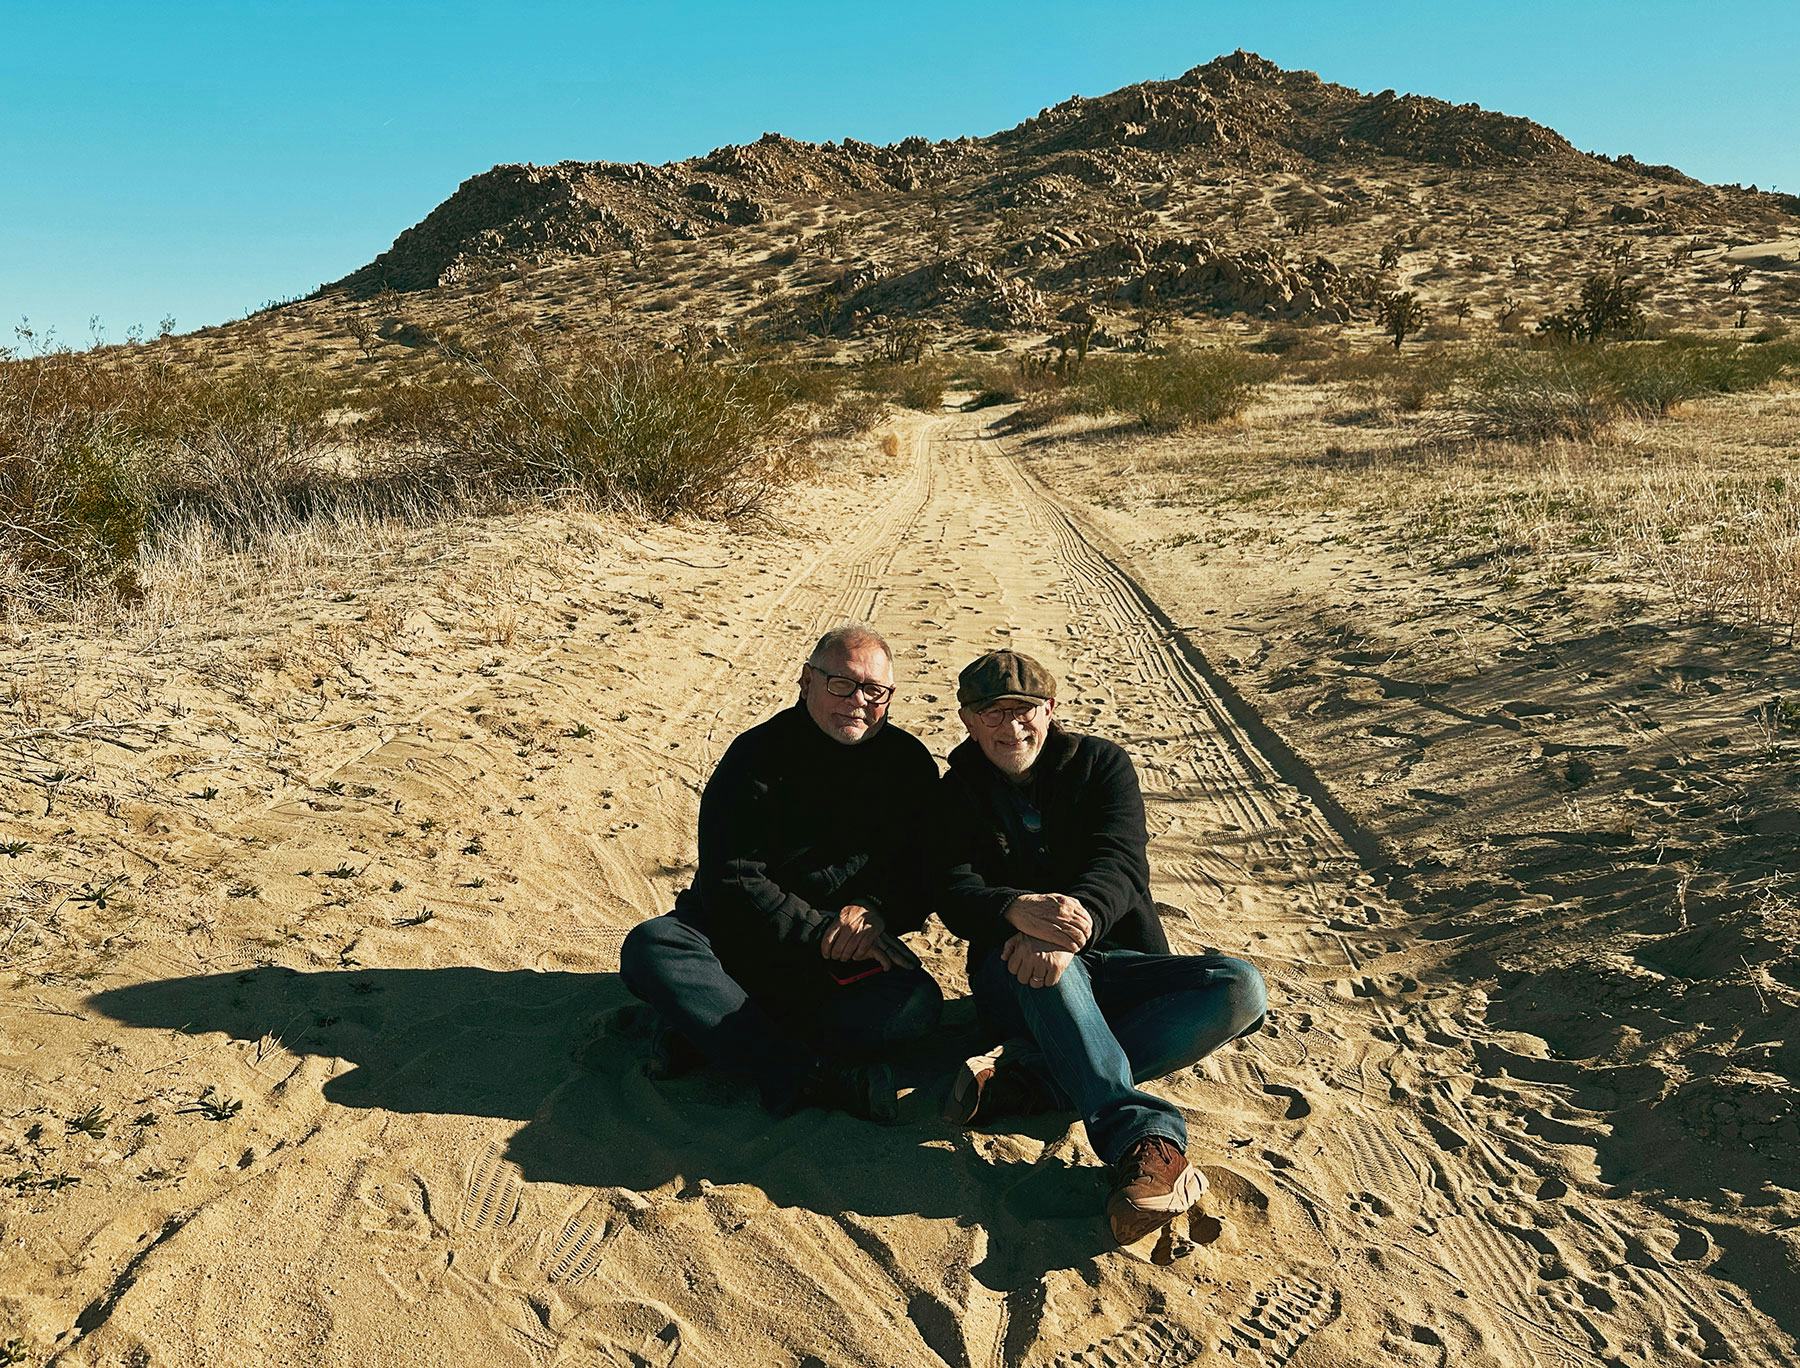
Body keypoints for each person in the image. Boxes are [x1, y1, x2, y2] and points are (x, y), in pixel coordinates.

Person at [931, 649, 1268, 1248]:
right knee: (1048, 975)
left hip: (1116, 957)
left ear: (1051, 709)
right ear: (967, 720)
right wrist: (1017, 914)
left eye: (1025, 710)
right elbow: (953, 889)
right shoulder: (955, 791)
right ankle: (1143, 1137)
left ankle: (1035, 1082)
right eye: (992, 713)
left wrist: (1072, 925)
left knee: (1241, 988)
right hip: (1017, 970)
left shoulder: (1101, 765)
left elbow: (1120, 863)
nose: (1011, 728)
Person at [620, 624, 942, 1123]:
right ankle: (806, 1070)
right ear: (807, 681)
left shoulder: (909, 765)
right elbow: (733, 880)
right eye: (842, 684)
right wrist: (817, 929)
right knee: (653, 948)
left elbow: (924, 870)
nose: (858, 701)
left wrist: (879, 909)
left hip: (836, 958)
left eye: (875, 691)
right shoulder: (755, 758)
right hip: (734, 939)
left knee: (916, 1006)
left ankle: (707, 1033)